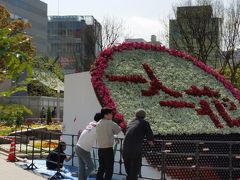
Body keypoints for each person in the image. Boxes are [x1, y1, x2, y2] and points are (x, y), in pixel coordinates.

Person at [123, 109, 154, 180]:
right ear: (144, 116)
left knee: (129, 172)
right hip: (135, 150)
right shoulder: (145, 123)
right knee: (135, 170)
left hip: (125, 149)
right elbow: (150, 138)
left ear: (136, 115)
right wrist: (152, 144)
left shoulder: (130, 122)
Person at [96, 107, 121, 180]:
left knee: (101, 168)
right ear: (105, 115)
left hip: (100, 149)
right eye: (111, 114)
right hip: (108, 149)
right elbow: (118, 130)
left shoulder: (98, 123)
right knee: (109, 169)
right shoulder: (110, 123)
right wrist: (114, 135)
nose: (112, 115)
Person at [75, 112, 102, 180]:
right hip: (84, 149)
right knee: (91, 167)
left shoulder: (90, 125)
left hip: (78, 146)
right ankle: (83, 178)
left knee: (81, 166)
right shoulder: (97, 127)